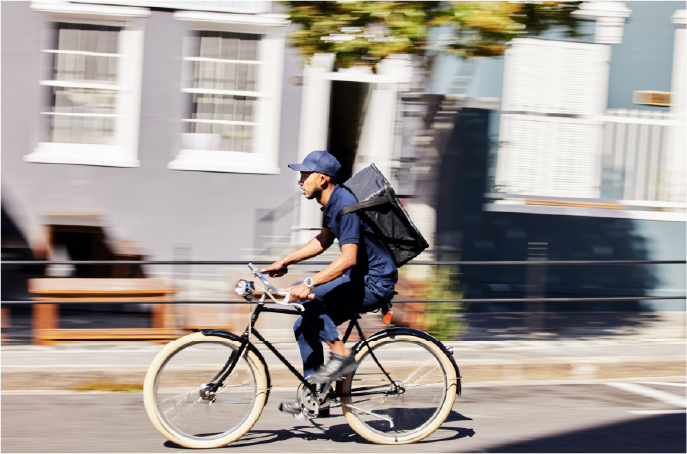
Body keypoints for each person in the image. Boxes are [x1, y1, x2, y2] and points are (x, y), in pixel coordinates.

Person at [261, 150, 398, 417]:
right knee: (304, 326)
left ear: (323, 179)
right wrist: (285, 261)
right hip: (359, 279)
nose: (300, 181)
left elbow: (347, 259)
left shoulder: (345, 206)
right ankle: (317, 399)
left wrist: (309, 284)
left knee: (308, 298)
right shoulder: (332, 203)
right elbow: (323, 240)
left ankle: (341, 356)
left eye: (305, 175)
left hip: (374, 283)